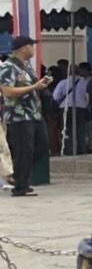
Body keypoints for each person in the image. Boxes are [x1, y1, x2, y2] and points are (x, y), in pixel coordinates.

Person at [0, 36, 50, 197]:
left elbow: (32, 86)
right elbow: (8, 91)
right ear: (22, 48)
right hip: (19, 116)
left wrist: (40, 84)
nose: (33, 48)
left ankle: (19, 176)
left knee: (42, 146)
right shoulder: (8, 67)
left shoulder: (26, 66)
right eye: (31, 45)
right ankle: (20, 186)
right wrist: (34, 87)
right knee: (24, 150)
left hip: (34, 113)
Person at [53, 61, 92, 155]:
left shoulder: (63, 83)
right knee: (81, 131)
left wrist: (62, 102)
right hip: (81, 109)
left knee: (67, 131)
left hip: (66, 108)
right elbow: (88, 97)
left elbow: (55, 96)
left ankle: (69, 151)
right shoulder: (85, 83)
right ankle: (82, 151)